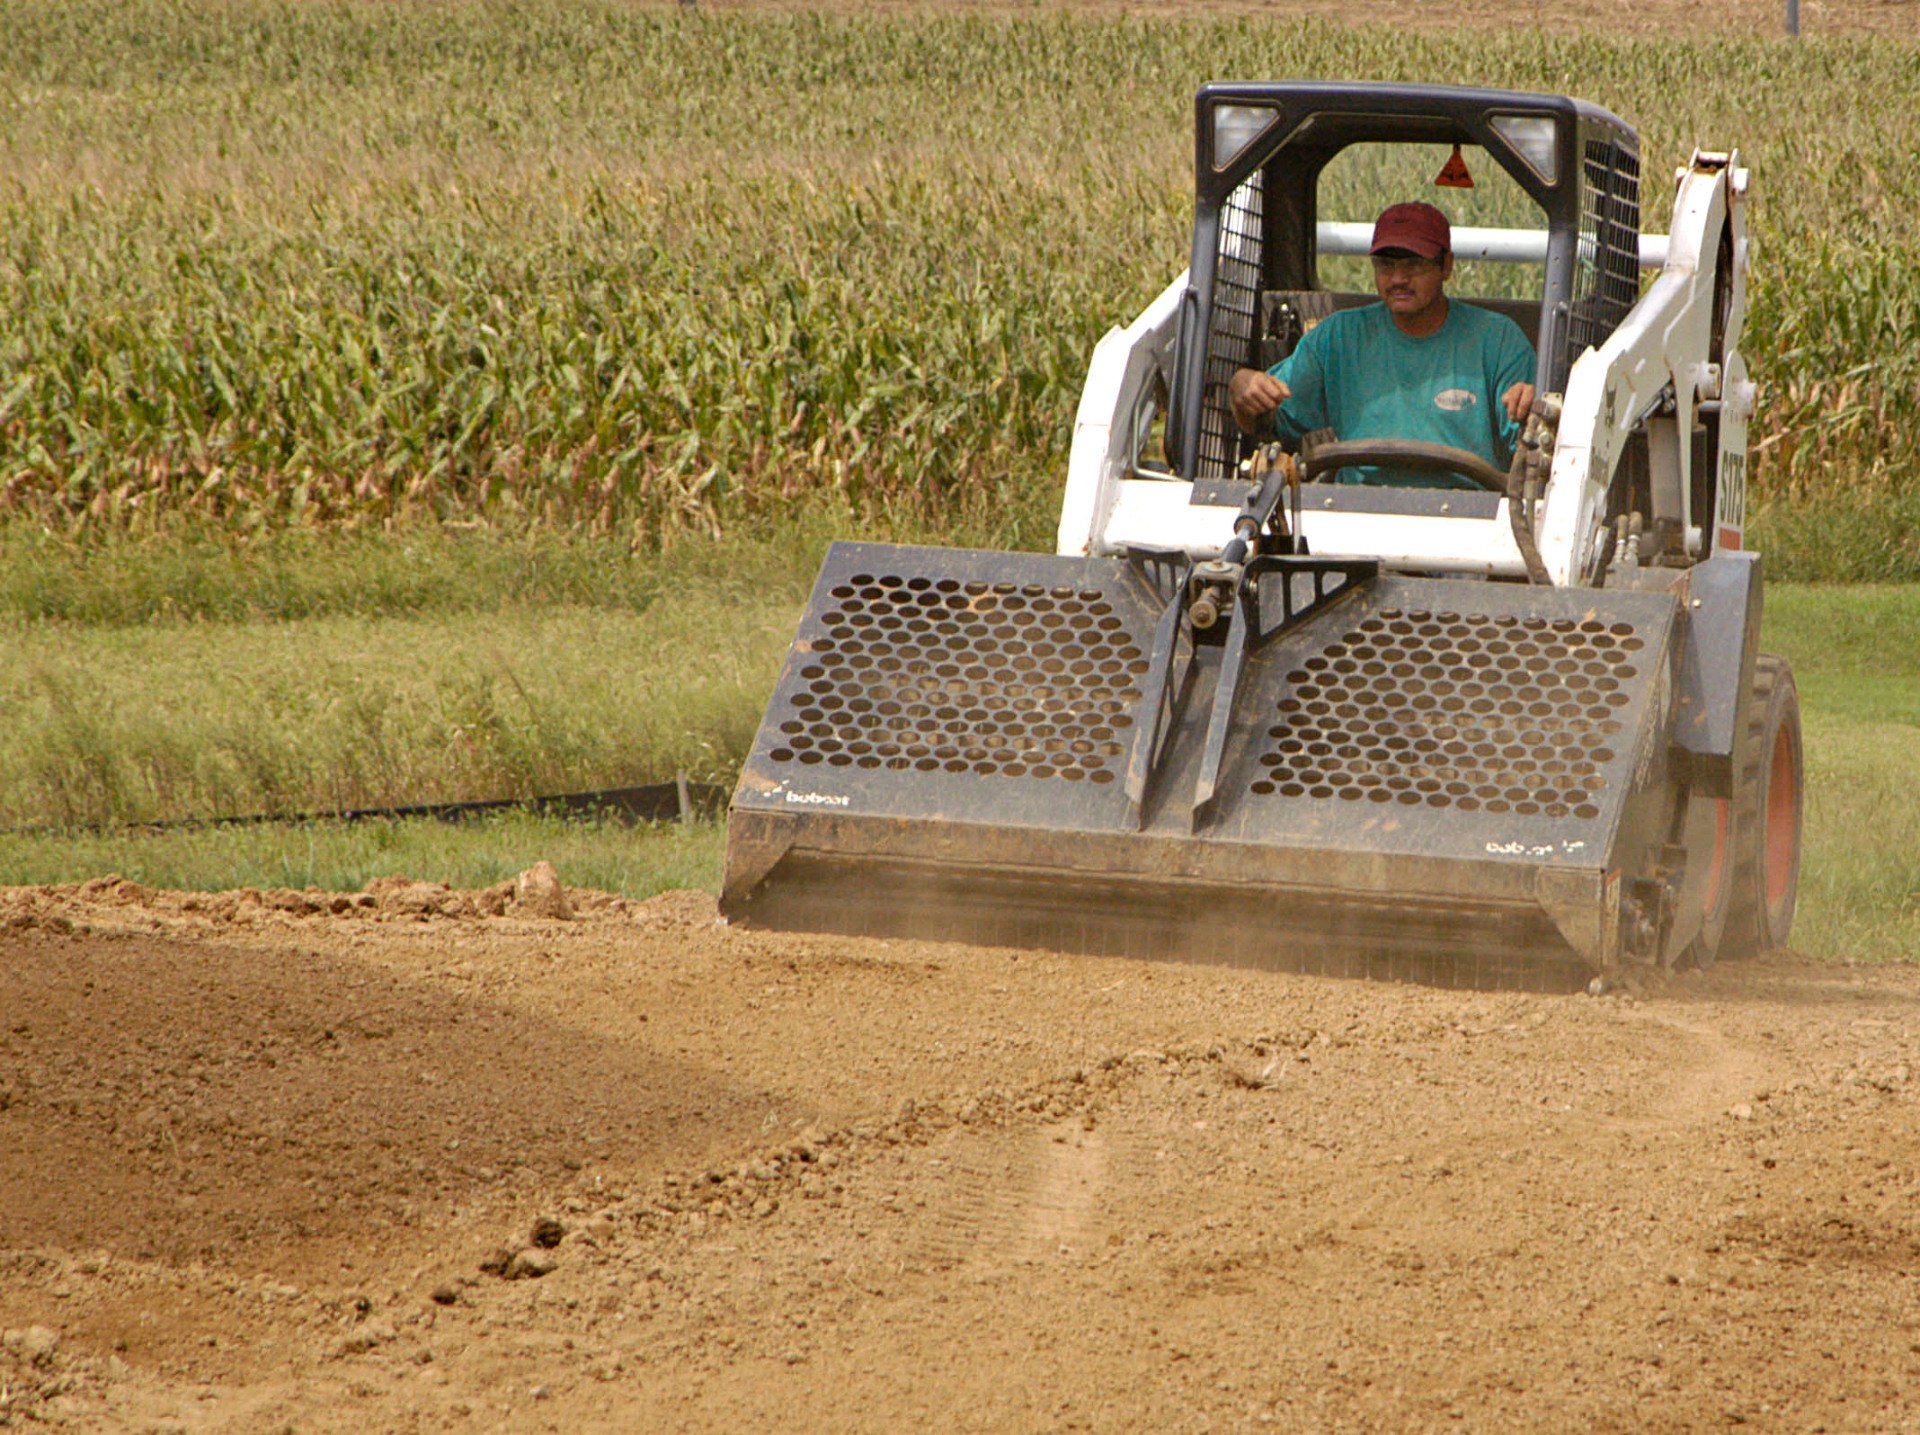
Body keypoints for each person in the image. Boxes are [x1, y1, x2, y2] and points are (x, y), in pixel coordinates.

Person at [1226, 201, 1537, 487]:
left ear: (1447, 266)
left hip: (1471, 523)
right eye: (1386, 265)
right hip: (1357, 518)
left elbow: (1532, 448)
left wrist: (1532, 412)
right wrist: (1243, 389)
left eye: (1414, 264)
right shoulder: (1337, 339)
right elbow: (1269, 424)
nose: (1398, 278)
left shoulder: (1498, 341)